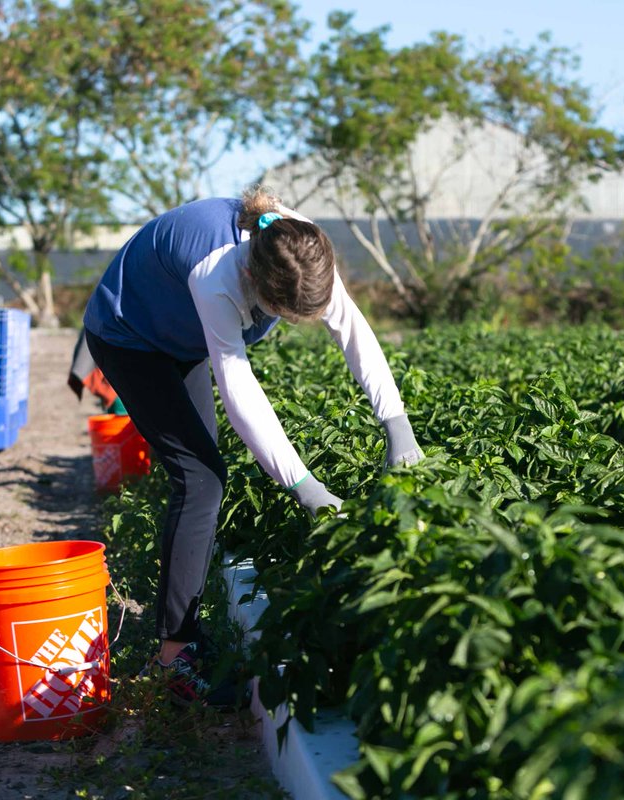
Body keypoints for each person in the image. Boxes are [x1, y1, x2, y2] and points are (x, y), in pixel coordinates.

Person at [80, 186, 423, 706]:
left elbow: (353, 330)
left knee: (202, 477)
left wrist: (396, 423)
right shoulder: (216, 275)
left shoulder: (297, 246)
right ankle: (174, 659)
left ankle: (186, 636)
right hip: (131, 336)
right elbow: (239, 392)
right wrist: (305, 485)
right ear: (260, 291)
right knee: (200, 479)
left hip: (181, 336)